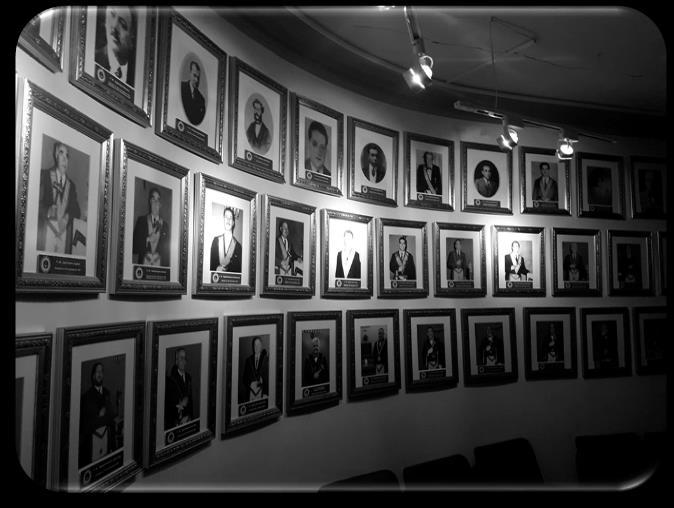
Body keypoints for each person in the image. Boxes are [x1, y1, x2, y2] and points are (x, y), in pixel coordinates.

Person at [38, 140, 82, 254]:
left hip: (63, 238)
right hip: (42, 236)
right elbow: (34, 204)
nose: (65, 159)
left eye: (67, 156)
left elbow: (77, 211)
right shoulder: (44, 175)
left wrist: (67, 217)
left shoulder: (71, 186)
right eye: (61, 153)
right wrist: (48, 211)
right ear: (55, 155)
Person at [79, 362, 116, 468]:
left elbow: (111, 418)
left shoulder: (107, 393)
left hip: (106, 441)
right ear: (93, 376)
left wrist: (113, 446)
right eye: (97, 371)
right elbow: (86, 424)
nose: (99, 374)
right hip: (93, 444)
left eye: (101, 371)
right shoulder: (86, 397)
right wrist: (100, 416)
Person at [94, 6, 136, 86]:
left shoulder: (136, 75)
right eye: (112, 15)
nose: (114, 27)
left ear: (131, 35)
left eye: (122, 24)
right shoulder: (94, 58)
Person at [132, 187, 170, 266]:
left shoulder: (165, 226)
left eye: (158, 200)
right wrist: (147, 239)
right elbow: (134, 247)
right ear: (150, 202)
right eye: (153, 199)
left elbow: (167, 254)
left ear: (160, 204)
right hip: (143, 269)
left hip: (159, 270)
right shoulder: (141, 221)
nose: (156, 203)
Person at [164, 348, 193, 429]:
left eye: (185, 358)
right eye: (181, 358)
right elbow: (167, 405)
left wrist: (189, 416)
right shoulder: (170, 380)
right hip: (176, 422)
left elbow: (191, 401)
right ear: (176, 361)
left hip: (188, 421)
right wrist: (179, 408)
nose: (183, 361)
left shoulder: (188, 377)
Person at [210, 207, 242, 273]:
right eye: (226, 217)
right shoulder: (216, 241)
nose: (228, 219)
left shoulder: (238, 247)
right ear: (223, 220)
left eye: (230, 217)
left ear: (233, 222)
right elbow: (210, 264)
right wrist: (215, 269)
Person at [241, 337, 268, 402]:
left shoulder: (266, 359)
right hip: (251, 395)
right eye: (255, 345)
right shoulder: (248, 360)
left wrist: (266, 392)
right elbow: (244, 379)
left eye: (258, 345)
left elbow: (269, 377)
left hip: (263, 394)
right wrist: (250, 384)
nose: (256, 347)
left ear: (261, 346)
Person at [181, 61, 206, 126]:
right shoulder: (181, 87)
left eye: (198, 77)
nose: (197, 80)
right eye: (194, 75)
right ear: (190, 73)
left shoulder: (201, 99)